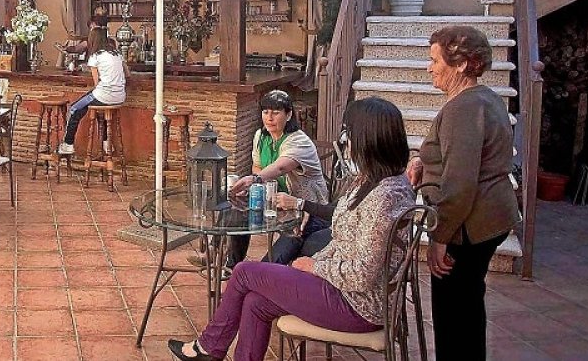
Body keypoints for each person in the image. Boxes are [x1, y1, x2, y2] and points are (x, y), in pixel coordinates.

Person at [168, 97, 414, 361]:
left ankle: (208, 348)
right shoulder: (371, 180)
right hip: (342, 288)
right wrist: (315, 261)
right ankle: (214, 349)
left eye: (348, 134)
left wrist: (314, 266)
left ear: (369, 139)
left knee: (243, 272)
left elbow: (362, 275)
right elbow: (346, 239)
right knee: (255, 302)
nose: (346, 142)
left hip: (357, 305)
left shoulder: (385, 196)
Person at [406, 25, 519, 361]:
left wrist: (440, 237)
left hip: (468, 226)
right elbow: (465, 158)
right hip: (488, 219)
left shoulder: (463, 108)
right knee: (468, 306)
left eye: (434, 60)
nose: (429, 67)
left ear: (460, 64)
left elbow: (460, 182)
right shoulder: (485, 97)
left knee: (454, 315)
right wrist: (424, 164)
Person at [222, 90, 329, 268]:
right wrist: (258, 188)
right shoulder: (260, 136)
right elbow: (257, 166)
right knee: (236, 210)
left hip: (306, 209)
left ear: (289, 115)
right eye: (265, 112)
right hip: (275, 201)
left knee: (290, 238)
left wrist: (253, 180)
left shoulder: (298, 141)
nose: (269, 118)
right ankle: (229, 265)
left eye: (276, 112)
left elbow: (280, 167)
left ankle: (262, 275)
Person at [57, 26, 128, 156]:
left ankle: (68, 144)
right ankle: (107, 145)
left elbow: (96, 84)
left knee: (74, 108)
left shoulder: (95, 56)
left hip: (104, 94)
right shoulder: (117, 54)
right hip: (120, 96)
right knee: (100, 112)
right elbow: (127, 74)